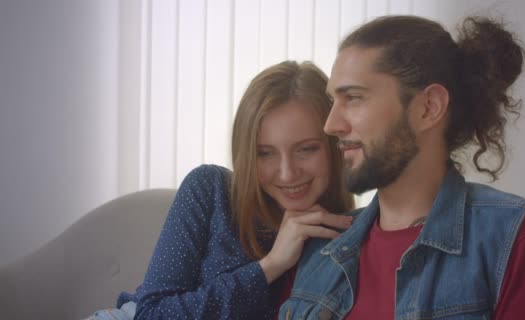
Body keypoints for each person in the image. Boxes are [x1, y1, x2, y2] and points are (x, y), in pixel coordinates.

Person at [279, 15, 525, 319]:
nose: (331, 125)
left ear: (429, 107)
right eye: (333, 101)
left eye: (354, 98)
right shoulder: (320, 249)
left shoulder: (521, 243)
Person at [89, 60, 354, 320]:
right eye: (264, 153)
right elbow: (153, 314)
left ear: (335, 145)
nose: (287, 173)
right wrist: (271, 266)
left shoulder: (347, 238)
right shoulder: (210, 188)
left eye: (306, 149)